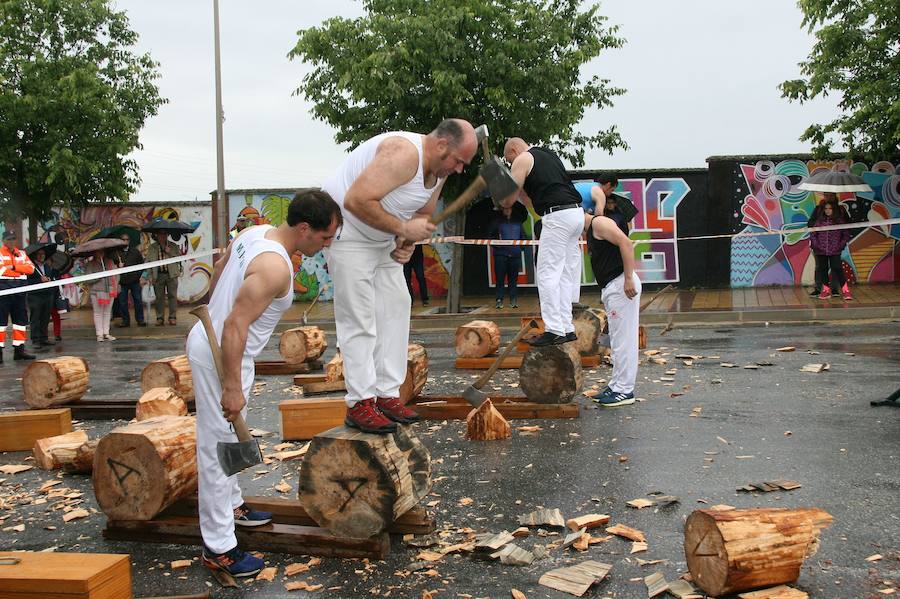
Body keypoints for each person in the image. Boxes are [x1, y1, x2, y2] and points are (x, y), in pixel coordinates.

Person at [185, 189, 340, 578]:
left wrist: (212, 304)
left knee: (228, 442)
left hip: (224, 350)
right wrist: (232, 386)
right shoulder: (275, 268)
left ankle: (233, 505)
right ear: (304, 229)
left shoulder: (256, 233)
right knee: (217, 450)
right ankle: (219, 548)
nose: (325, 246)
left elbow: (221, 268)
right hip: (223, 357)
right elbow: (235, 324)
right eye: (324, 238)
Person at [323, 118, 477, 434]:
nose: (460, 169)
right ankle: (360, 402)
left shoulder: (440, 170)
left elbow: (421, 212)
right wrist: (402, 229)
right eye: (459, 162)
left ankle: (386, 393)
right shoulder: (403, 153)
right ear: (442, 145)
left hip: (382, 235)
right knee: (359, 316)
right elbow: (356, 200)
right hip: (347, 230)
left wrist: (407, 242)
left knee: (396, 306)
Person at [502, 138, 584, 346]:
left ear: (514, 150)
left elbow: (508, 200)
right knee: (564, 274)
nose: (511, 164)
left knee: (548, 274)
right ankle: (567, 327)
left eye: (508, 160)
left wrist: (499, 186)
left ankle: (554, 329)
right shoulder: (549, 156)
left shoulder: (522, 159)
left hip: (557, 217)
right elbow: (530, 200)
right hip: (575, 213)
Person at [584, 194, 642, 407]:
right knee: (617, 340)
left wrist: (628, 278)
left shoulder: (599, 223)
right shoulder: (593, 228)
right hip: (614, 285)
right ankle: (617, 385)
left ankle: (625, 390)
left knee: (623, 340)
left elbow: (626, 243)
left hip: (620, 284)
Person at [808, 194, 852, 301]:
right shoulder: (819, 221)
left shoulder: (839, 219)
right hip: (821, 250)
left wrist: (840, 245)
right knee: (822, 269)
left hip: (835, 250)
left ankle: (845, 290)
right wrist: (817, 245)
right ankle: (825, 290)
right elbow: (813, 233)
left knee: (837, 268)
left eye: (830, 209)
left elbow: (846, 233)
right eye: (826, 209)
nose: (827, 211)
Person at [0, 230, 36, 362]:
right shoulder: (0, 253)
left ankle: (19, 349)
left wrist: (14, 267)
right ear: (4, 240)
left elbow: (31, 269)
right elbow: (1, 270)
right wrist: (19, 272)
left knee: (20, 321)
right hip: (3, 290)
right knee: (1, 323)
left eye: (13, 239)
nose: (11, 242)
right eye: (8, 239)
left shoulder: (21, 253)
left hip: (20, 291)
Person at [488, 203, 527, 309]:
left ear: (512, 209)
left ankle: (513, 300)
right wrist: (498, 248)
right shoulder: (497, 222)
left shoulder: (518, 223)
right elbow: (490, 237)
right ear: (502, 210)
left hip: (515, 255)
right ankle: (499, 300)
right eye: (505, 209)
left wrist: (520, 248)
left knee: (513, 279)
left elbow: (524, 237)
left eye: (509, 208)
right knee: (500, 279)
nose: (507, 210)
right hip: (501, 256)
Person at [146, 231, 182, 325]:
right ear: (157, 235)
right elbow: (148, 262)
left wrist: (170, 253)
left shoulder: (173, 246)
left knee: (172, 296)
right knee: (159, 297)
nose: (162, 236)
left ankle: (172, 317)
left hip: (171, 274)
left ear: (167, 235)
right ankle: (160, 317)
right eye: (160, 234)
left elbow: (179, 258)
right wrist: (150, 275)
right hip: (158, 275)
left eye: (164, 234)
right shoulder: (152, 247)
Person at [25, 247, 59, 350]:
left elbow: (51, 278)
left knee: (45, 317)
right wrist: (39, 280)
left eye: (43, 254)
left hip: (47, 295)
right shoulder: (31, 267)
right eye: (39, 254)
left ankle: (44, 338)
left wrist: (49, 280)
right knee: (35, 318)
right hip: (35, 296)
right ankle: (35, 339)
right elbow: (27, 282)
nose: (42, 256)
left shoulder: (47, 267)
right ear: (35, 255)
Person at [84, 249, 119, 342]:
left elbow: (116, 275)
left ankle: (106, 333)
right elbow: (88, 279)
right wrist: (99, 276)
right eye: (98, 252)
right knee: (98, 313)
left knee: (107, 312)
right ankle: (99, 334)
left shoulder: (110, 262)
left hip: (109, 290)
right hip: (96, 292)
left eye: (102, 251)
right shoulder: (90, 264)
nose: (100, 253)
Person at [116, 234, 147, 327]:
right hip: (122, 281)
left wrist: (138, 276)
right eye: (123, 239)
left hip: (134, 281)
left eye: (127, 239)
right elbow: (112, 265)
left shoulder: (135, 251)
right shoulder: (116, 253)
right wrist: (118, 266)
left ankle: (140, 320)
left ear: (129, 241)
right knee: (122, 302)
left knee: (138, 301)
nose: (125, 241)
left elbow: (141, 264)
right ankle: (125, 321)